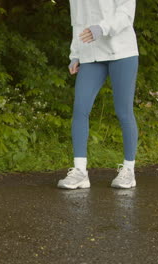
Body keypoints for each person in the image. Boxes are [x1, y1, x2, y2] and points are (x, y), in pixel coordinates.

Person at [57, 0, 139, 189]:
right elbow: (77, 23)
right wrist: (75, 54)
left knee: (124, 112)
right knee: (80, 109)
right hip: (91, 55)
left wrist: (102, 28)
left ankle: (128, 171)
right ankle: (80, 172)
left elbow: (126, 13)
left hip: (122, 52)